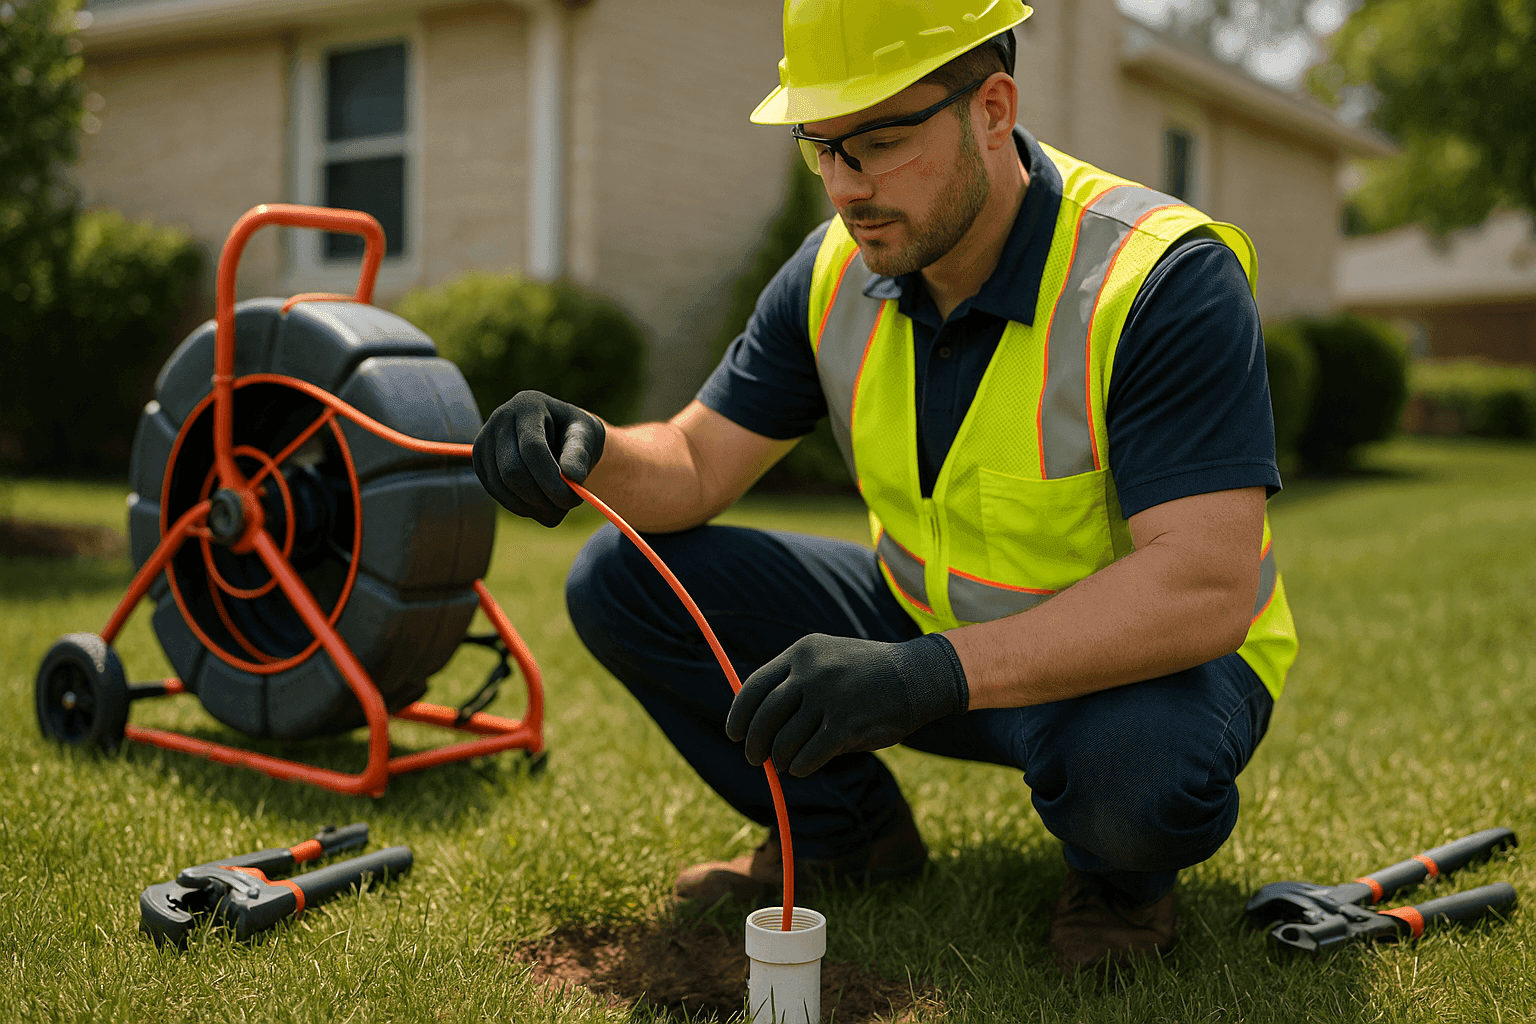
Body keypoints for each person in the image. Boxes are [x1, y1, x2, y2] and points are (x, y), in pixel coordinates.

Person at [472, 0, 1298, 975]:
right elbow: (694, 466)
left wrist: (924, 675)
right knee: (623, 577)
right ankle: (847, 833)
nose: (844, 186)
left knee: (1138, 775)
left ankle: (1119, 888)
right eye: (820, 146)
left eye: (879, 140)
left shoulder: (1158, 278)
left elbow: (1202, 587)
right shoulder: (833, 271)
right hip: (924, 623)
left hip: (1138, 669)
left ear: (993, 108)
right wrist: (591, 446)